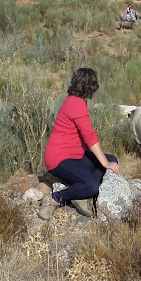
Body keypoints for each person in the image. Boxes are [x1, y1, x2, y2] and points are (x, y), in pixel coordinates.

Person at [39, 68, 120, 220]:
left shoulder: (76, 100)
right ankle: (56, 198)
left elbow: (86, 137)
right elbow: (89, 136)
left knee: (112, 159)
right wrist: (104, 163)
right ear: (90, 86)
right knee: (92, 185)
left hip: (75, 156)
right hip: (59, 159)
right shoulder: (76, 103)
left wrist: (106, 161)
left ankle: (79, 190)